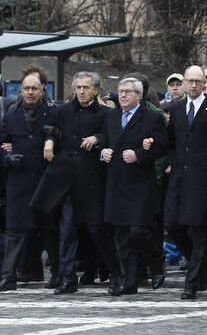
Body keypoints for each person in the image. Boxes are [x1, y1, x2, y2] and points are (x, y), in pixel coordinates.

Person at [31, 72, 116, 295]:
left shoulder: (107, 113)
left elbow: (114, 134)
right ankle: (68, 279)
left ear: (96, 90)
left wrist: (98, 138)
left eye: (86, 87)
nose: (81, 91)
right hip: (66, 179)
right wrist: (49, 141)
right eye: (78, 87)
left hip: (92, 180)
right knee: (66, 229)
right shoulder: (64, 110)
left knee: (97, 230)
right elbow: (52, 130)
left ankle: (117, 274)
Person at [163, 66, 207, 300]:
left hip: (204, 177)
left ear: (205, 84)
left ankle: (192, 282)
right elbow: (171, 140)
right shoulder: (177, 108)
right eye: (189, 81)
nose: (192, 85)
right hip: (179, 175)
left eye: (197, 81)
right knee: (172, 224)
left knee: (198, 230)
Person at [101, 77, 168, 296]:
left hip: (140, 183)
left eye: (128, 92)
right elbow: (104, 139)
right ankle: (128, 281)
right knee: (121, 234)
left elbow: (163, 145)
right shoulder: (111, 116)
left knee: (137, 230)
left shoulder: (152, 117)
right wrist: (103, 150)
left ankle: (157, 264)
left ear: (138, 95)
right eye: (120, 91)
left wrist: (140, 154)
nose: (123, 95)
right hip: (116, 181)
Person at [0, 67, 60, 291]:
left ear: (43, 89)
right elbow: (2, 144)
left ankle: (57, 273)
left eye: (35, 88)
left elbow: (62, 136)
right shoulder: (11, 114)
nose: (30, 92)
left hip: (46, 180)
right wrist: (8, 157)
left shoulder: (54, 112)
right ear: (20, 90)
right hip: (19, 180)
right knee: (14, 231)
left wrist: (51, 138)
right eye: (26, 88)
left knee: (49, 230)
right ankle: (8, 277)